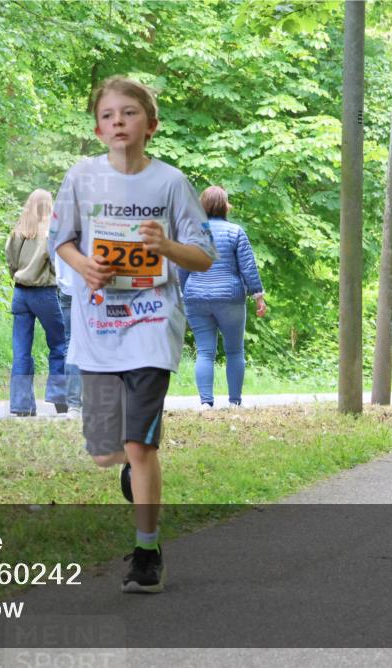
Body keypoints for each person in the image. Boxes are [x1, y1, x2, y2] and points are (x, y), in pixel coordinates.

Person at [51, 76, 217, 594]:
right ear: (97, 129)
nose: (118, 121)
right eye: (107, 115)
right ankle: (129, 466)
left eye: (128, 113)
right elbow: (62, 241)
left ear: (151, 125)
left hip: (151, 325)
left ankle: (147, 552)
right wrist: (85, 266)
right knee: (106, 451)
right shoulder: (81, 178)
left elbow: (204, 256)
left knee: (140, 444)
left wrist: (165, 246)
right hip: (98, 329)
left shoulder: (170, 183)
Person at [179, 186, 266, 409]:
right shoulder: (235, 232)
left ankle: (206, 403)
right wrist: (258, 296)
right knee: (235, 350)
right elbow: (248, 268)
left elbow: (182, 268)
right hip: (230, 298)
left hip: (196, 297)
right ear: (225, 206)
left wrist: (184, 293)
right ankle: (234, 402)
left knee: (205, 352)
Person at [6, 189, 68, 417]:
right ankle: (59, 397)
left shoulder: (18, 231)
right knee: (59, 343)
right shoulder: (50, 232)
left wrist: (18, 274)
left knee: (21, 350)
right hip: (44, 293)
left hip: (20, 293)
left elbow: (11, 261)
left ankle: (22, 405)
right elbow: (55, 263)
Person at [55, 255, 82, 417]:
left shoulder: (58, 238)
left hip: (66, 289)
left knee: (71, 344)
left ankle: (73, 404)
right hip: (89, 289)